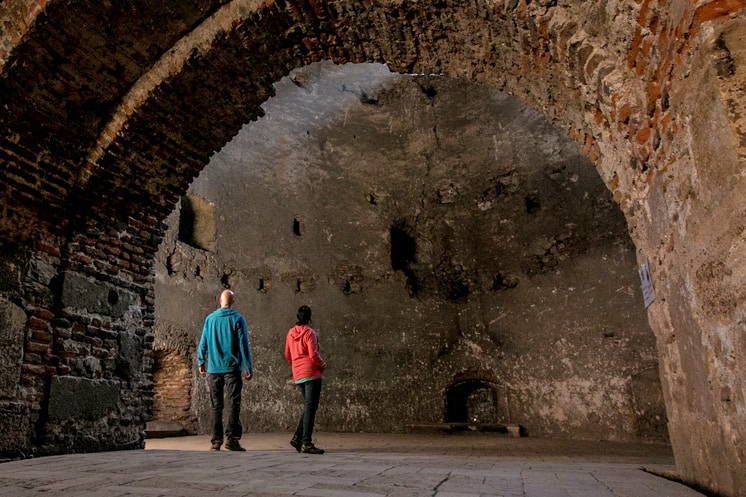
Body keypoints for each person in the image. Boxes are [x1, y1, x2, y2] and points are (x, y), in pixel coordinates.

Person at [198, 289, 254, 451]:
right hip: (232, 367)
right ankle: (231, 439)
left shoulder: (210, 319)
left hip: (213, 368)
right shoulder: (237, 319)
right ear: (233, 302)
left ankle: (216, 441)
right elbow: (243, 345)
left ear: (219, 301)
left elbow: (203, 342)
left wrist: (201, 361)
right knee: (233, 403)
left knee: (216, 405)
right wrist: (248, 366)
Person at [284, 305, 326, 454]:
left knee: (309, 407)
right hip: (311, 373)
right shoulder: (310, 333)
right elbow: (313, 355)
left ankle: (298, 438)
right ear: (309, 317)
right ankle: (306, 443)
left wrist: (296, 366)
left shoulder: (290, 333)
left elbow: (287, 355)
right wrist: (323, 365)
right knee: (310, 407)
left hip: (298, 374)